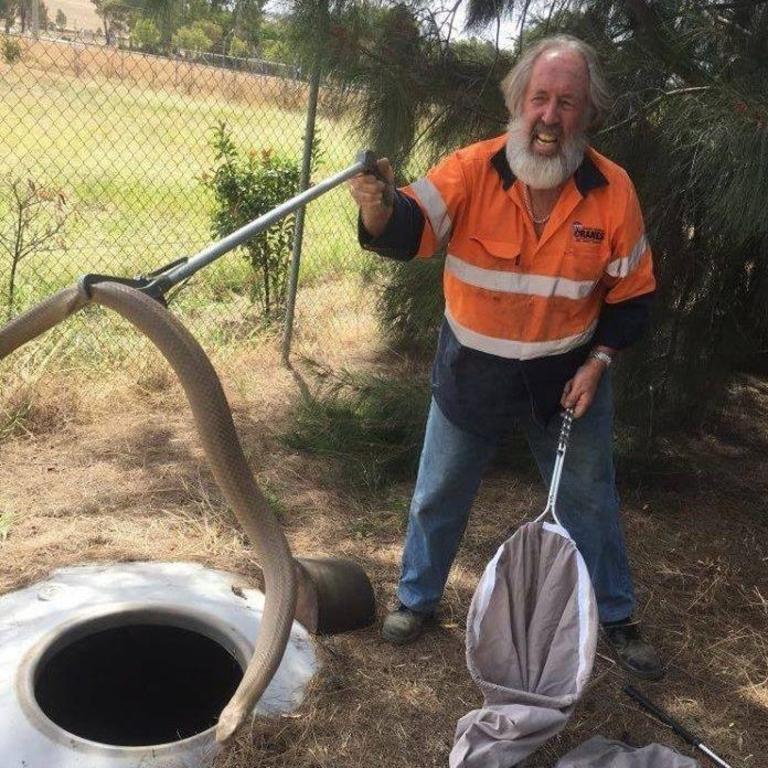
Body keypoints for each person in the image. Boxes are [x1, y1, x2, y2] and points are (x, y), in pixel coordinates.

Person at [348, 35, 662, 679]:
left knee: (591, 503)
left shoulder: (613, 191)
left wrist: (598, 362)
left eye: (567, 103)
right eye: (540, 98)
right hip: (473, 372)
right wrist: (379, 206)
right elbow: (409, 228)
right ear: (518, 101)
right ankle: (417, 599)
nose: (550, 117)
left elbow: (632, 297)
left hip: (565, 378)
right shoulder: (471, 168)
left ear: (587, 114)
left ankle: (618, 616)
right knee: (438, 494)